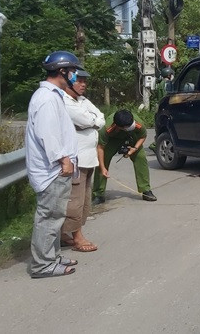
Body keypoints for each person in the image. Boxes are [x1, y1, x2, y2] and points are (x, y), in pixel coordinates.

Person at [25, 51, 81, 278]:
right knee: (49, 217)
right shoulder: (47, 98)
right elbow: (48, 135)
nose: (76, 75)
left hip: (55, 167)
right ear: (62, 71)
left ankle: (52, 256)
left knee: (56, 216)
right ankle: (42, 265)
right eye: (73, 71)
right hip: (53, 169)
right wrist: (63, 160)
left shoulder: (52, 95)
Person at [61, 69, 105, 252]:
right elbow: (85, 119)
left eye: (84, 80)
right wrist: (91, 120)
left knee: (85, 199)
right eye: (79, 80)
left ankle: (64, 234)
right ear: (68, 81)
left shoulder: (83, 101)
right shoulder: (64, 101)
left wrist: (92, 120)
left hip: (89, 158)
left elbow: (100, 118)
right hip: (76, 157)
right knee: (75, 200)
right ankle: (77, 237)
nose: (83, 84)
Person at [93, 109, 157, 204]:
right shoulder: (106, 128)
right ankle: (98, 194)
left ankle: (146, 190)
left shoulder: (138, 123)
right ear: (118, 126)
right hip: (113, 140)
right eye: (127, 127)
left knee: (141, 158)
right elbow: (100, 148)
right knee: (102, 161)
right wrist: (103, 168)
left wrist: (134, 149)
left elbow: (143, 136)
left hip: (132, 138)